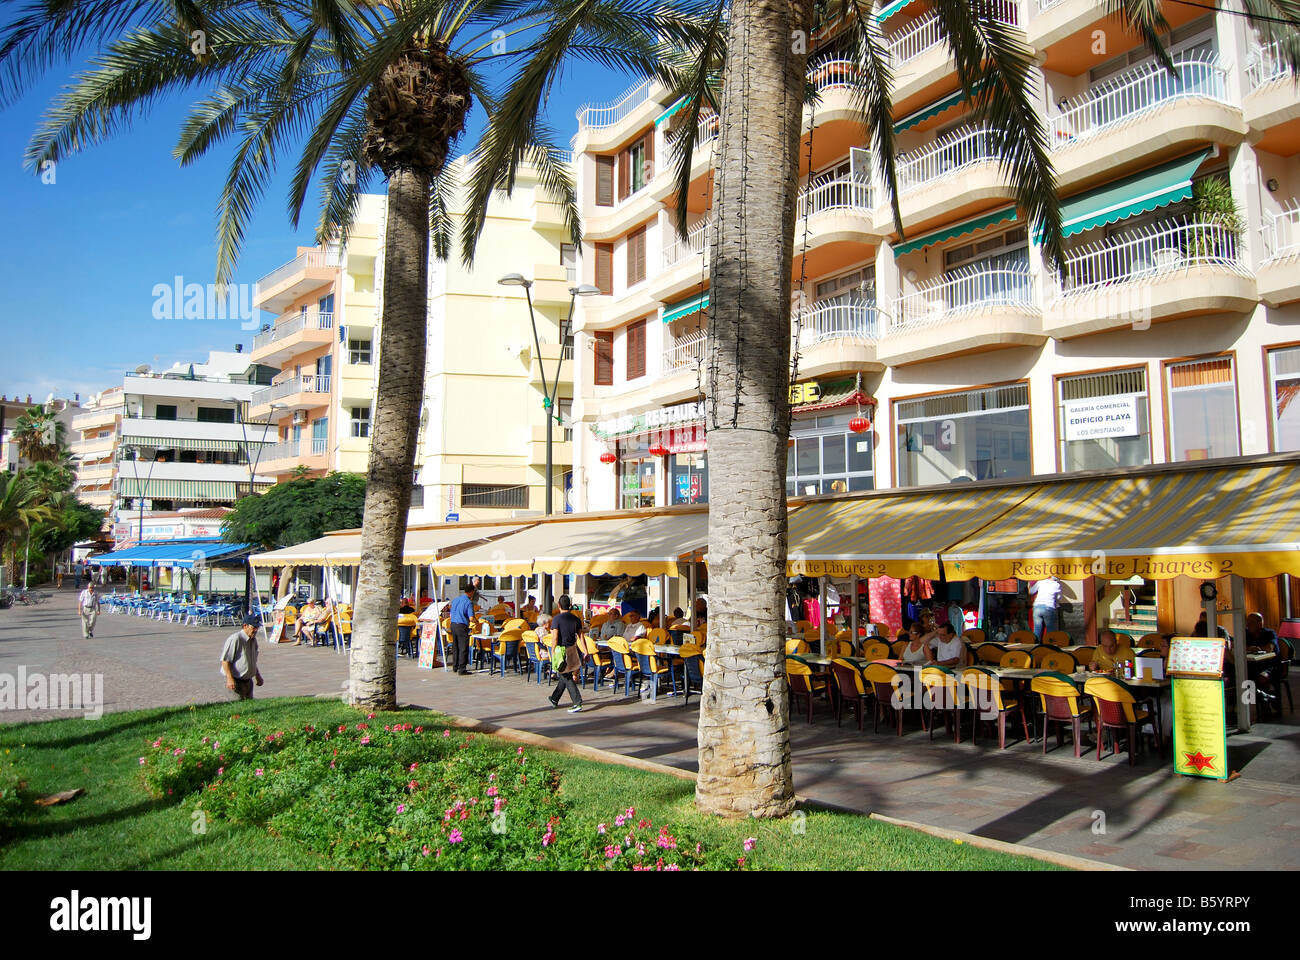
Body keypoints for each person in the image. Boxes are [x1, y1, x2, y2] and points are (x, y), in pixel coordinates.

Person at [547, 594, 585, 713]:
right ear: (569, 605)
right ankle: (554, 698)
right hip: (572, 649)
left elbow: (555, 637)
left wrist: (552, 651)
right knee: (564, 674)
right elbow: (581, 636)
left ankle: (577, 702)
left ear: (558, 605)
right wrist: (586, 651)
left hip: (561, 650)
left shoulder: (557, 619)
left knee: (565, 675)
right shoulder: (576, 619)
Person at [221, 614, 263, 700]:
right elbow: (225, 661)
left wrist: (257, 675)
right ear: (245, 626)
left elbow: (252, 660)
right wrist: (229, 678)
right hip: (236, 681)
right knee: (237, 710)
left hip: (248, 682)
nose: (256, 630)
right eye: (253, 627)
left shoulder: (253, 640)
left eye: (257, 628)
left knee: (249, 708)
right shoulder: (235, 639)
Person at [449, 585, 476, 675]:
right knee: (463, 647)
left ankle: (455, 666)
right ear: (471, 592)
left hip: (453, 624)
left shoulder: (456, 599)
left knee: (455, 646)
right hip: (462, 625)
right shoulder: (468, 602)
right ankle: (462, 668)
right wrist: (477, 621)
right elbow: (471, 618)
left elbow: (451, 612)